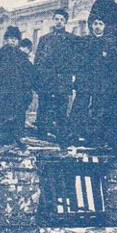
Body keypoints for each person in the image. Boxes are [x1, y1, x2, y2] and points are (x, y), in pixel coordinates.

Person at [70, 17, 117, 147]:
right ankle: (74, 135)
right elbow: (77, 60)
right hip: (85, 80)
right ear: (91, 25)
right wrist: (77, 76)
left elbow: (111, 64)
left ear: (104, 26)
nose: (97, 26)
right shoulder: (84, 41)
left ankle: (95, 137)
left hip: (101, 82)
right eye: (95, 24)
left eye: (100, 24)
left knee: (98, 109)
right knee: (79, 106)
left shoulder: (109, 43)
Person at [35, 8, 77, 143]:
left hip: (62, 79)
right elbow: (38, 60)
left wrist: (70, 73)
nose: (59, 22)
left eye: (62, 20)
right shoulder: (44, 39)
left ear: (66, 22)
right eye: (57, 19)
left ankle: (60, 136)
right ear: (53, 20)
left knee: (61, 108)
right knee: (44, 107)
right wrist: (39, 78)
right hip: (47, 80)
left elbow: (76, 60)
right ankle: (41, 134)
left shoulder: (71, 39)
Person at [0, 26, 37, 145]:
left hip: (17, 96)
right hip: (1, 94)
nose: (12, 41)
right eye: (10, 38)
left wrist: (27, 93)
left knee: (17, 121)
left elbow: (29, 76)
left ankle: (16, 141)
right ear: (6, 40)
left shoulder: (22, 57)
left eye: (15, 39)